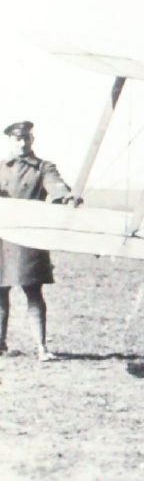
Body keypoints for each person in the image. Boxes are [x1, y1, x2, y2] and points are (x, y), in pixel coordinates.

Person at [0, 121, 79, 361]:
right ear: (10, 141)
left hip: (28, 238)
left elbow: (57, 188)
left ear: (32, 140)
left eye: (26, 138)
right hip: (1, 237)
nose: (22, 143)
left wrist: (66, 197)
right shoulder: (1, 167)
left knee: (33, 292)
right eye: (17, 139)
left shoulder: (43, 168)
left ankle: (41, 348)